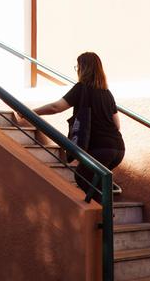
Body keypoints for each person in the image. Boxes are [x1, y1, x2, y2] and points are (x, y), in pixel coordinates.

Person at [31, 52, 125, 202]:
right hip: (118, 149)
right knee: (94, 179)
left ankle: (104, 211)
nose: (77, 70)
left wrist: (31, 112)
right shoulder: (107, 93)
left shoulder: (82, 88)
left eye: (78, 67)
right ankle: (104, 212)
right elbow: (117, 125)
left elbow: (56, 107)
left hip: (99, 148)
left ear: (83, 68)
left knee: (81, 176)